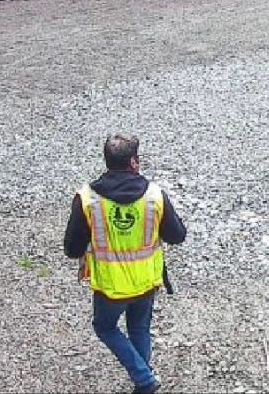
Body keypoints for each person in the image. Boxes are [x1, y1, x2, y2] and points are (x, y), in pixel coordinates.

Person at [64, 134, 186, 394]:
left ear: (107, 161)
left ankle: (144, 379)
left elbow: (72, 249)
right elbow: (178, 236)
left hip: (110, 286)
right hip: (146, 281)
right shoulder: (155, 195)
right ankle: (144, 379)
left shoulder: (87, 199)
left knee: (105, 327)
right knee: (139, 328)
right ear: (134, 162)